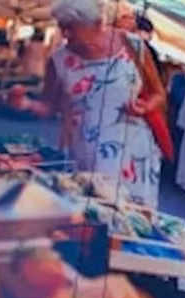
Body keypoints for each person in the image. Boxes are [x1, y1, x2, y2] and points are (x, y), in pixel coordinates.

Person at [19, 0, 166, 208]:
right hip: (84, 154)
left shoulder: (134, 47)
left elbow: (158, 93)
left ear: (98, 23)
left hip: (132, 155)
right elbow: (50, 106)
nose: (66, 34)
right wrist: (25, 104)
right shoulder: (59, 59)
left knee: (131, 219)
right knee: (90, 216)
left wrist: (146, 106)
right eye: (62, 26)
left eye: (72, 27)